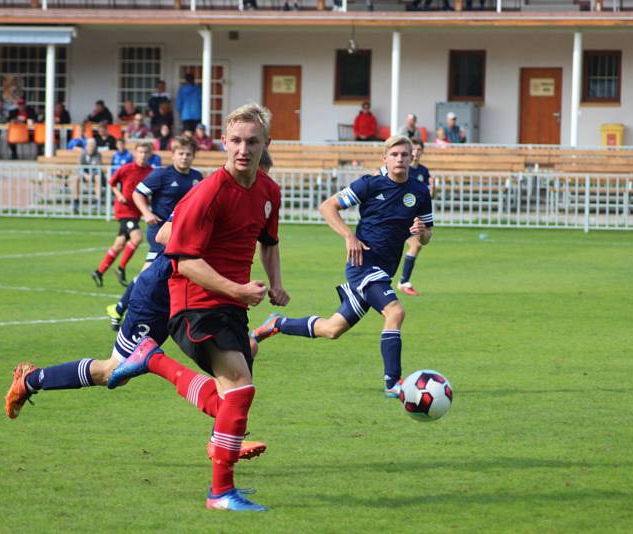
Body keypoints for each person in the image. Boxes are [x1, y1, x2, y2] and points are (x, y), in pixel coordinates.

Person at [108, 102, 287, 512]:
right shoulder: (207, 192)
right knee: (240, 386)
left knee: (231, 397)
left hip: (229, 305)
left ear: (265, 144)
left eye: (252, 141)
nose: (243, 149)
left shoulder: (268, 192)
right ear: (224, 142)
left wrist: (275, 283)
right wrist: (238, 290)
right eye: (236, 141)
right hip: (194, 302)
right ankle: (220, 493)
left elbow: (270, 242)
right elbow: (183, 259)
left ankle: (152, 360)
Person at [3, 225, 268, 461]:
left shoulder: (253, 200)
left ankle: (223, 439)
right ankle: (30, 380)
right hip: (158, 298)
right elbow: (165, 233)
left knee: (240, 357)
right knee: (112, 372)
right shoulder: (208, 195)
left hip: (194, 298)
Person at [252, 135, 433, 398]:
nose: (400, 159)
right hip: (363, 265)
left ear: (411, 158)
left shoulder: (419, 192)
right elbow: (328, 207)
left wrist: (422, 231)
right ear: (385, 158)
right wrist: (349, 236)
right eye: (394, 155)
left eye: (405, 155)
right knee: (395, 312)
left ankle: (276, 324)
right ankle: (393, 383)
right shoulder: (370, 184)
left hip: (384, 271)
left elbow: (427, 237)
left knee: (332, 329)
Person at [107, 136, 202, 329]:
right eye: (181, 153)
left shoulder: (196, 177)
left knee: (156, 274)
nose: (184, 157)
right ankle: (122, 308)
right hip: (161, 232)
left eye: (188, 154)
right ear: (173, 155)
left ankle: (120, 308)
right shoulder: (162, 175)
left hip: (183, 234)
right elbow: (137, 193)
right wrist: (147, 213)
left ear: (193, 156)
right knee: (152, 274)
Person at [91, 143, 153, 287]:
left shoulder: (150, 172)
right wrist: (119, 195)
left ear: (149, 154)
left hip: (136, 212)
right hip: (124, 211)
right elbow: (111, 182)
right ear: (135, 154)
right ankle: (121, 268)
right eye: (140, 152)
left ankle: (99, 272)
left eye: (145, 152)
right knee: (137, 238)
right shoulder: (126, 169)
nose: (143, 155)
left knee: (119, 245)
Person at [397, 138, 434, 297]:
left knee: (417, 245)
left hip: (414, 218)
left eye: (419, 149)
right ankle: (401, 281)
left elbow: (427, 196)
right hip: (400, 217)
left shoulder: (424, 172)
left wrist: (434, 189)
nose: (416, 152)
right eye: (414, 149)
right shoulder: (402, 170)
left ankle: (404, 281)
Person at [72, 138, 102, 215]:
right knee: (75, 178)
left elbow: (98, 168)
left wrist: (91, 175)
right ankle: (76, 201)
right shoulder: (83, 154)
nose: (90, 147)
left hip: (94, 174)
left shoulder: (98, 155)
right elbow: (80, 167)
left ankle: (97, 201)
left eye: (92, 145)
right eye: (89, 145)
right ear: (86, 146)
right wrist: (85, 175)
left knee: (98, 178)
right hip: (84, 174)